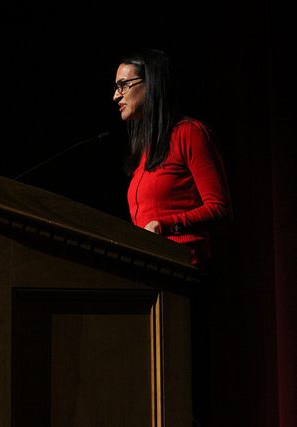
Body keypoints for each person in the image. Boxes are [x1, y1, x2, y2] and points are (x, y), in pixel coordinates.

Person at [112, 48, 232, 427]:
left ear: (153, 84)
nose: (116, 95)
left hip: (186, 282)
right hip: (148, 287)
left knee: (185, 398)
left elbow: (220, 207)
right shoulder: (144, 153)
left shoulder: (189, 134)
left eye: (123, 85)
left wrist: (167, 226)